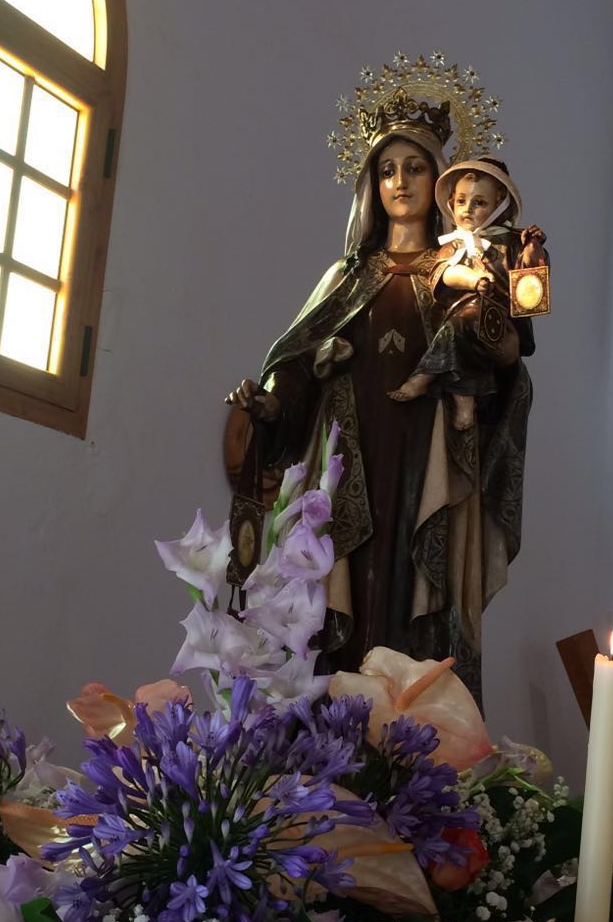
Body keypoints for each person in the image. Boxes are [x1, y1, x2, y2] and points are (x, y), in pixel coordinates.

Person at [226, 84, 533, 706]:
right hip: (347, 458)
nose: (400, 182)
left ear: (441, 183)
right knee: (346, 585)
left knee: (413, 585)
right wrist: (272, 405)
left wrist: (497, 326)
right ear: (372, 184)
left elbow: (505, 366)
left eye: (415, 168)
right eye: (387, 170)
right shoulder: (346, 278)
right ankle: (332, 725)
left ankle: (406, 733)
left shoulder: (459, 272)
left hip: (427, 459)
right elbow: (297, 367)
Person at [388, 158, 548, 432]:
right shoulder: (454, 245)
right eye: (461, 201)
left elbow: (530, 286)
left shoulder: (512, 243)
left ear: (499, 202)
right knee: (459, 326)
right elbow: (444, 274)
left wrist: (533, 248)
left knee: (467, 321)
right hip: (462, 319)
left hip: (501, 325)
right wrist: (474, 280)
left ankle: (427, 376)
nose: (468, 209)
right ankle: (462, 399)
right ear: (451, 201)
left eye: (479, 203)